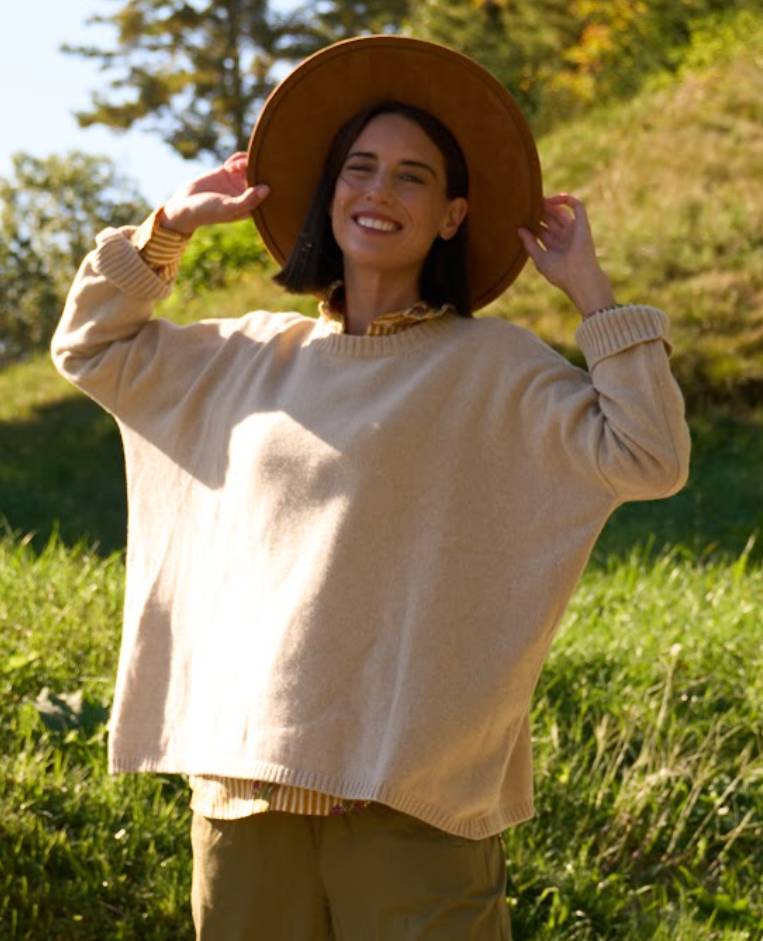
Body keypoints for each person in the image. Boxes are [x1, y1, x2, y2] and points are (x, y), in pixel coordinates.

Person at [52, 35, 690, 941]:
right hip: (245, 804)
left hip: (413, 815)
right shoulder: (246, 356)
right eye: (359, 169)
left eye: (410, 177)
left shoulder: (494, 367)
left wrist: (591, 294)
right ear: (331, 194)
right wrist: (172, 226)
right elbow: (90, 348)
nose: (377, 192)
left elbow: (650, 453)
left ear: (452, 214)